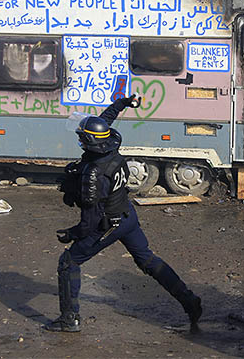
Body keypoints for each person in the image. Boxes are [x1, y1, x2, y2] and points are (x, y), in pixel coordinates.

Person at [46, 95, 203, 333]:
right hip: (127, 215)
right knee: (147, 259)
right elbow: (104, 122)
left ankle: (69, 319)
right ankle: (190, 301)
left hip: (108, 224)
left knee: (68, 262)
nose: (79, 140)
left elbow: (89, 222)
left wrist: (72, 234)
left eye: (81, 138)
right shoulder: (111, 147)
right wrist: (121, 103)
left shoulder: (93, 175)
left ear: (89, 142)